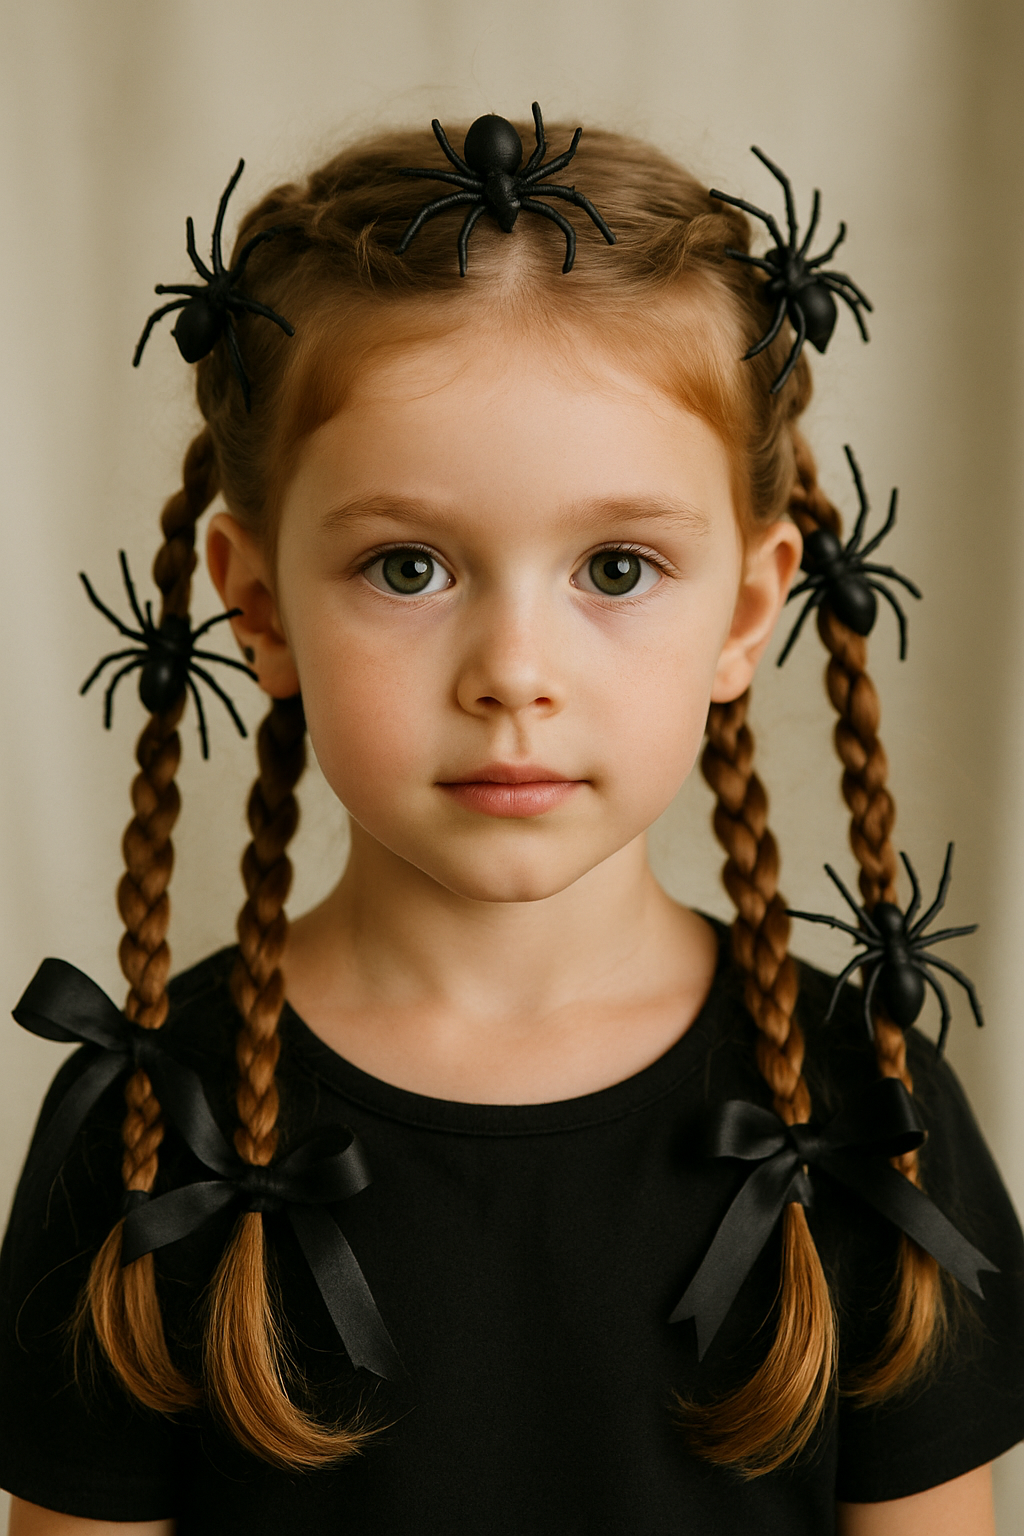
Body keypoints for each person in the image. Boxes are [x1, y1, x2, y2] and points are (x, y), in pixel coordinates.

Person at [1, 112, 1022, 1536]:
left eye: (616, 565)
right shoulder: (141, 1132)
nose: (513, 672)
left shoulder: (866, 1106)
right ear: (255, 600)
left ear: (744, 607)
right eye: (407, 566)